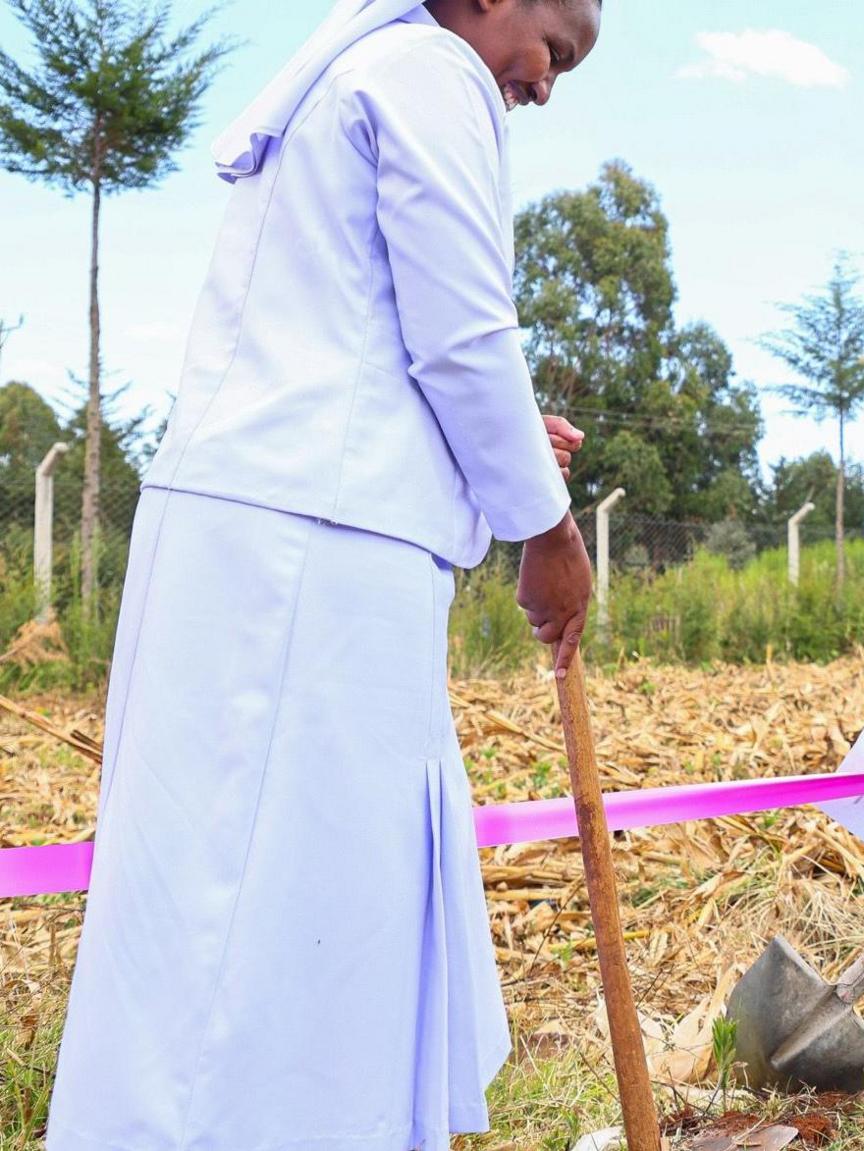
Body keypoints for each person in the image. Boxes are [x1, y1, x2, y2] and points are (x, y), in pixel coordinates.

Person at [44, 1, 601, 1147]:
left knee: (220, 903)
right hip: (305, 559)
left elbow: (369, 349)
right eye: (560, 45)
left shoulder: (361, 72)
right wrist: (546, 531)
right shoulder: (431, 68)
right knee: (275, 913)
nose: (549, 87)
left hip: (274, 534)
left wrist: (484, 448)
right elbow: (462, 336)